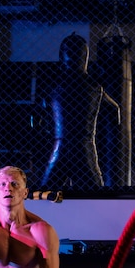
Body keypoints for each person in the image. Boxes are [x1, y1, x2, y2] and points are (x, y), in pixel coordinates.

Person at [41, 32, 120, 191]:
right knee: (95, 192)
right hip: (84, 146)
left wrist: (46, 124)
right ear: (84, 57)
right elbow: (114, 109)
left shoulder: (54, 86)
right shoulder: (94, 87)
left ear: (63, 57)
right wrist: (114, 131)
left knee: (45, 191)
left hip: (61, 144)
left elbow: (41, 109)